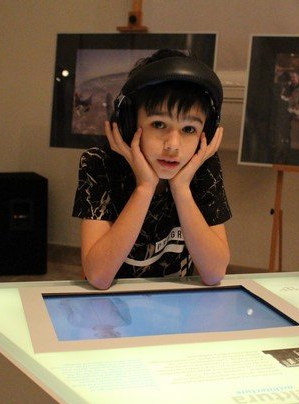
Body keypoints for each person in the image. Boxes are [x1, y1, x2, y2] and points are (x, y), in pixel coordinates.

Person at [72, 49, 231, 290]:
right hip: (109, 307)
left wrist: (181, 189)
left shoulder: (203, 167)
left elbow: (214, 273)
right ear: (129, 123)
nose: (173, 145)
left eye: (189, 129)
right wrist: (145, 187)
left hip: (175, 305)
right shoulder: (99, 163)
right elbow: (98, 277)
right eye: (158, 124)